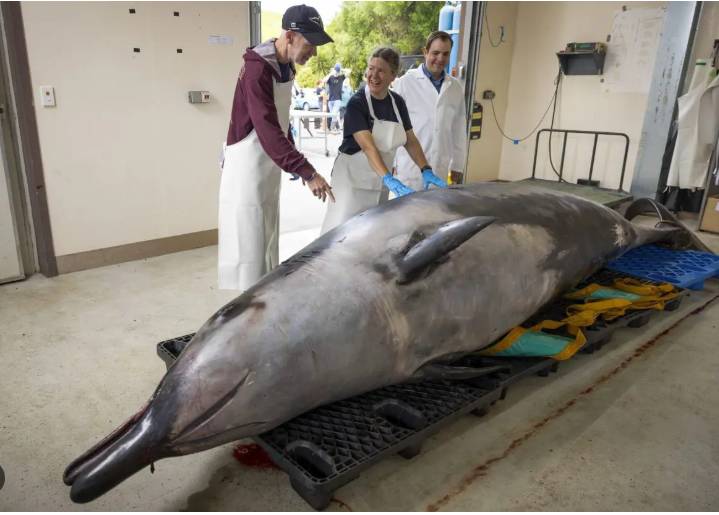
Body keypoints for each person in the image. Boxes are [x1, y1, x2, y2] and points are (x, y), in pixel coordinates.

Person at [219, 4, 335, 291]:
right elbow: (268, 129)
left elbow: (281, 123)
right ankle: (245, 314)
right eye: (310, 44)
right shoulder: (258, 69)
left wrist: (293, 155)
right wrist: (307, 172)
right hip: (247, 168)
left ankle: (261, 302)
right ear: (290, 36)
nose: (314, 52)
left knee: (267, 238)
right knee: (249, 247)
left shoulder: (285, 67)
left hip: (266, 166)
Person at [320, 47, 446, 234]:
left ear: (392, 75)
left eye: (381, 70)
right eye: (371, 68)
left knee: (371, 235)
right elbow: (368, 147)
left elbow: (410, 140)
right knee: (341, 234)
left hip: (380, 183)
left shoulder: (397, 103)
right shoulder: (358, 103)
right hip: (353, 182)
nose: (374, 75)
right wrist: (389, 179)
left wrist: (425, 169)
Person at [392, 30, 466, 191]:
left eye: (445, 54)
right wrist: (392, 163)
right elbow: (393, 126)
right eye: (435, 53)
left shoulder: (455, 88)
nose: (440, 59)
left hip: (440, 168)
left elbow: (459, 130)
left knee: (436, 214)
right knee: (408, 214)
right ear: (425, 52)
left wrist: (457, 166)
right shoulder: (405, 83)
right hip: (409, 169)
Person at [323, 63, 346, 132]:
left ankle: (332, 128)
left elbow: (349, 72)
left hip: (337, 99)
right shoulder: (330, 77)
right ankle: (338, 128)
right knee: (333, 115)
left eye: (337, 70)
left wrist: (341, 70)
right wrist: (331, 73)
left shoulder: (341, 77)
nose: (337, 72)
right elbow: (324, 80)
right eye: (336, 70)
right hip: (330, 100)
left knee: (334, 113)